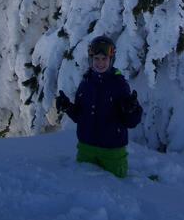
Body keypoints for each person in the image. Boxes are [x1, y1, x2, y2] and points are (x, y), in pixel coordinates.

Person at [56, 35, 142, 178]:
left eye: (104, 59)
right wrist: (67, 107)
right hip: (86, 149)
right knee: (84, 188)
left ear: (111, 60)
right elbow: (80, 116)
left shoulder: (119, 85)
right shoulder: (86, 83)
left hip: (112, 152)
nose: (100, 63)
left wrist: (132, 110)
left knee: (116, 191)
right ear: (91, 59)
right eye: (96, 58)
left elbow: (131, 122)